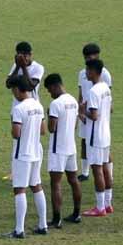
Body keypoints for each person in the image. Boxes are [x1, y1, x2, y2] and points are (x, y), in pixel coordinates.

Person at [8, 76, 49, 237]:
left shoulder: (19, 109)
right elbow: (43, 130)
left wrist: (13, 124)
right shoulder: (38, 105)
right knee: (36, 186)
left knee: (19, 189)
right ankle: (43, 224)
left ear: (18, 89)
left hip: (22, 153)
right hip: (36, 151)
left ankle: (19, 229)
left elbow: (16, 134)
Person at [45, 74, 82, 226]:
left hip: (57, 148)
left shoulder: (55, 104)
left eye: (49, 90)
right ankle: (77, 214)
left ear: (54, 86)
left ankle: (56, 218)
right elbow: (75, 125)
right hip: (70, 147)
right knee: (73, 180)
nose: (50, 93)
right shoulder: (73, 100)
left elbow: (51, 128)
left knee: (56, 184)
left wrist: (49, 115)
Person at [81, 60, 114, 217]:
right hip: (106, 133)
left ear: (93, 71)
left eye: (87, 70)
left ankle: (100, 207)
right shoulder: (105, 88)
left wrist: (82, 111)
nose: (85, 73)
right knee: (106, 168)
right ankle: (108, 203)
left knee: (97, 169)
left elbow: (94, 115)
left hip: (95, 135)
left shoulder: (94, 91)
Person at [76, 43, 111, 181]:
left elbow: (108, 97)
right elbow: (80, 93)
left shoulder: (105, 75)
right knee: (84, 141)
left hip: (96, 114)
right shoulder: (82, 74)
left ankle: (108, 175)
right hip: (87, 112)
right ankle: (85, 172)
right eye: (86, 57)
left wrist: (86, 112)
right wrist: (80, 112)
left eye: (91, 56)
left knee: (101, 154)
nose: (88, 59)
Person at [7, 41, 44, 114]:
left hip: (34, 109)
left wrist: (23, 67)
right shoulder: (16, 66)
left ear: (30, 55)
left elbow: (30, 87)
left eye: (25, 55)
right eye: (19, 55)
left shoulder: (38, 67)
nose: (22, 58)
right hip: (17, 106)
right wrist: (17, 67)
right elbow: (8, 84)